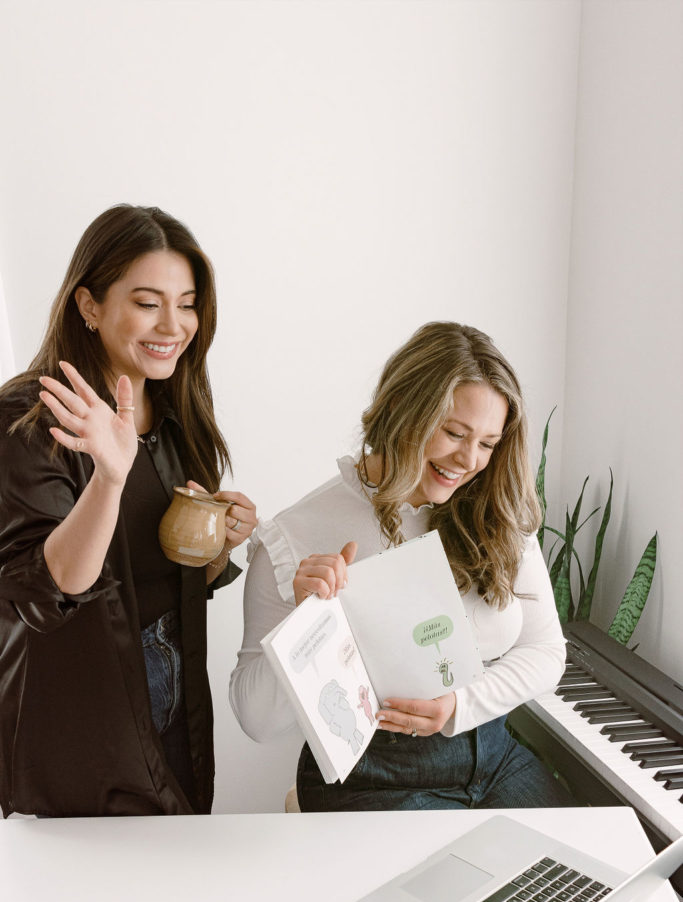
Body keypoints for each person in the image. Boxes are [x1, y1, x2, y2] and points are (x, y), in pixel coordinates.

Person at [230, 322, 574, 811]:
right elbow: (256, 721)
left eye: (488, 443)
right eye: (454, 433)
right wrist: (309, 621)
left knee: (584, 876)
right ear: (400, 409)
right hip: (375, 780)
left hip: (495, 759)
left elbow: (545, 650)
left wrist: (459, 707)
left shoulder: (494, 507)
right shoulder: (295, 536)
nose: (469, 460)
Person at [0, 204, 257, 817]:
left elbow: (162, 568)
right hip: (82, 714)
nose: (174, 324)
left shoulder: (175, 412)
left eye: (187, 302)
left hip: (176, 695)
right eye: (147, 302)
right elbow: (47, 592)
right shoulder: (28, 420)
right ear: (89, 306)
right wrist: (108, 479)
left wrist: (221, 544)